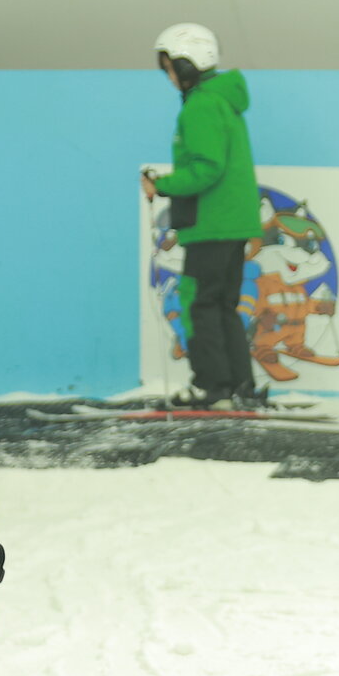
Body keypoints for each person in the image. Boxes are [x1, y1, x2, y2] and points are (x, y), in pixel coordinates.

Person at [146, 22, 263, 408]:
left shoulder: (201, 105)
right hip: (232, 222)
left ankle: (211, 386)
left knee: (200, 303)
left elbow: (206, 168)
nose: (168, 76)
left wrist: (162, 185)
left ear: (188, 64)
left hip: (211, 223)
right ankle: (239, 385)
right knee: (223, 305)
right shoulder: (222, 99)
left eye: (170, 67)